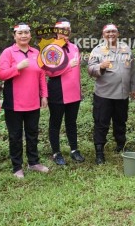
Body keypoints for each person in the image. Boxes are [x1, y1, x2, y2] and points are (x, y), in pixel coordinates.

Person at [0, 23, 49, 178]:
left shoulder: (36, 52)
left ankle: (33, 162)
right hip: (14, 103)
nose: (24, 35)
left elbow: (41, 75)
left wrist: (44, 95)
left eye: (26, 32)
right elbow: (1, 74)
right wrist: (18, 67)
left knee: (32, 133)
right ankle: (17, 166)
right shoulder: (8, 53)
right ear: (14, 36)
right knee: (15, 136)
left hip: (33, 101)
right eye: (20, 33)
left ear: (30, 36)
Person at [88, 24, 135, 164]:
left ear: (118, 33)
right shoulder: (97, 50)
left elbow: (132, 70)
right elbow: (90, 69)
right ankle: (99, 152)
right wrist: (100, 66)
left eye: (113, 31)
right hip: (104, 94)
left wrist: (133, 87)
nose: (111, 34)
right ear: (103, 35)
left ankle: (121, 145)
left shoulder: (126, 48)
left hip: (122, 94)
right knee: (101, 123)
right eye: (108, 32)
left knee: (121, 121)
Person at [45, 18, 84, 165]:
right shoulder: (51, 48)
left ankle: (74, 149)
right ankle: (56, 152)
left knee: (71, 122)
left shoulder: (74, 47)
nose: (65, 33)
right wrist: (68, 65)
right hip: (57, 91)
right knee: (55, 123)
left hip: (74, 92)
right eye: (62, 30)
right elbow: (50, 72)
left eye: (67, 30)